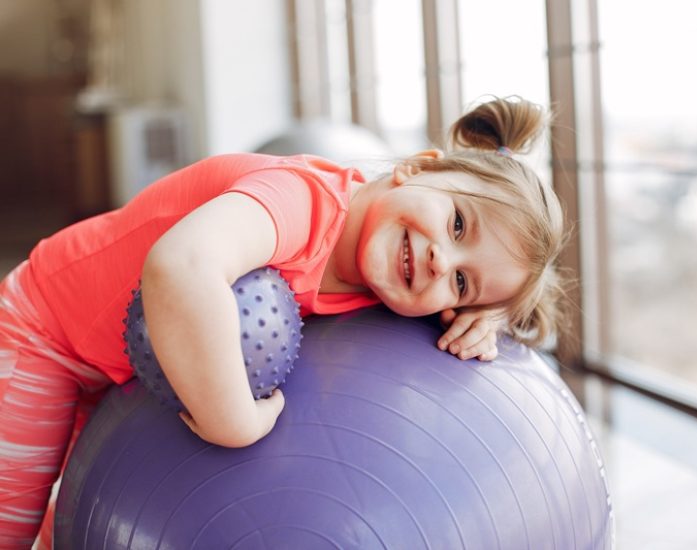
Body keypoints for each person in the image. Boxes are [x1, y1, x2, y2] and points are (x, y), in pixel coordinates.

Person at [0, 95, 565, 548]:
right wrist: (232, 421)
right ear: (417, 169)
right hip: (46, 332)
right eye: (459, 223)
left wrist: (489, 320)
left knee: (71, 528)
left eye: (462, 284)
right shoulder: (301, 202)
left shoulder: (387, 277)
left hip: (118, 378)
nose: (444, 259)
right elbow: (180, 268)